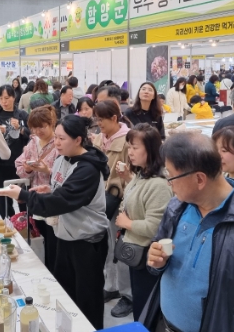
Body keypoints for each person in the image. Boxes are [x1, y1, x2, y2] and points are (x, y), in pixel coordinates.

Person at [140, 133, 234, 332]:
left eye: (171, 176)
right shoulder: (177, 207)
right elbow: (157, 257)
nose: (169, 182)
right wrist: (157, 262)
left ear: (199, 179)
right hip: (164, 324)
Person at [0, 116, 110, 329]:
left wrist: (23, 195)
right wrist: (49, 190)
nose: (56, 143)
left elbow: (62, 201)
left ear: (78, 140)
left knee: (87, 299)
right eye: (56, 137)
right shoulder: (61, 159)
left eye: (61, 138)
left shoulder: (87, 169)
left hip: (87, 242)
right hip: (64, 236)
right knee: (65, 293)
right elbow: (62, 192)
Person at [114, 124, 173, 320]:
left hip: (148, 255)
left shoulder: (159, 184)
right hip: (137, 252)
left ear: (150, 149)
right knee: (140, 303)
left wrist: (127, 223)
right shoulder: (141, 174)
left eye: (135, 147)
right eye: (129, 147)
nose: (130, 152)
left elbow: (156, 227)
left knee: (146, 308)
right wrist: (128, 178)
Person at [93, 101, 133, 317]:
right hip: (101, 200)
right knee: (107, 245)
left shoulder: (128, 141)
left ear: (115, 118)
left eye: (102, 119)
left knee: (122, 248)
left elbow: (133, 175)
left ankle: (128, 295)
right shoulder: (99, 138)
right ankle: (110, 285)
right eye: (96, 119)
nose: (98, 123)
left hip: (120, 202)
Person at [15, 106, 59, 273]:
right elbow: (19, 165)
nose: (37, 131)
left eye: (42, 127)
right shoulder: (33, 142)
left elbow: (66, 174)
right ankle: (43, 271)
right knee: (39, 236)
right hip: (35, 198)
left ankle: (53, 273)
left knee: (53, 240)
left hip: (53, 199)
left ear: (51, 123)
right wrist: (27, 169)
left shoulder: (59, 143)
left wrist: (48, 171)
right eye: (34, 128)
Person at [0, 85, 30, 218]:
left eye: (7, 98)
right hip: (0, 163)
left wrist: (20, 129)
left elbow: (32, 134)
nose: (4, 101)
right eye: (1, 98)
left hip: (19, 163)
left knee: (22, 195)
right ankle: (8, 221)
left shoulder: (22, 115)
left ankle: (25, 222)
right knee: (2, 196)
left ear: (14, 97)